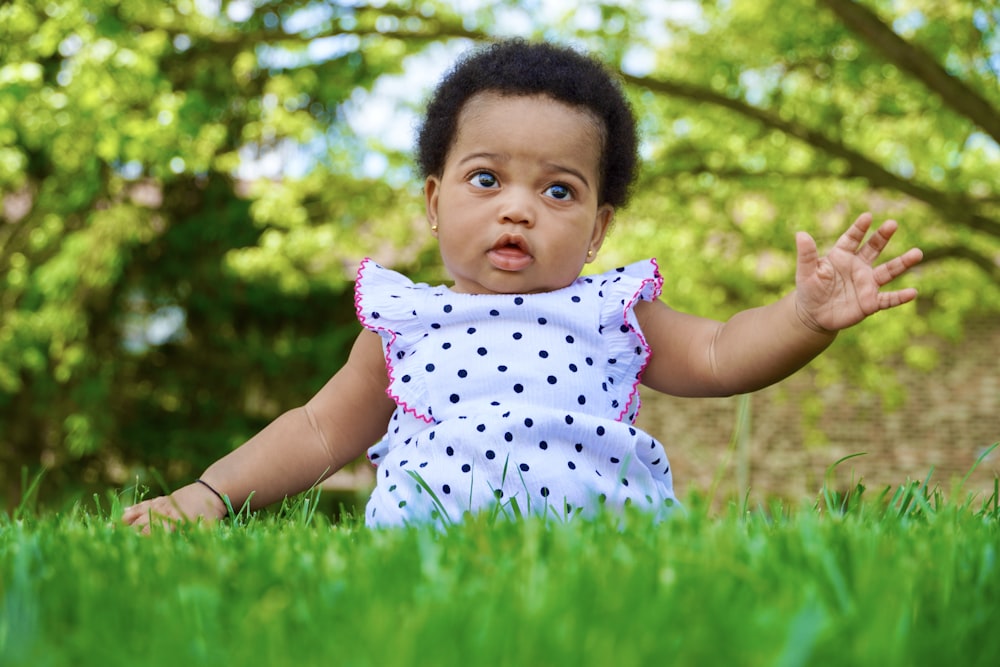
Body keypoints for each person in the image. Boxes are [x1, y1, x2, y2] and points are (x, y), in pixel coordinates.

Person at [122, 39, 923, 531]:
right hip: (423, 550)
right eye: (485, 178)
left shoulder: (613, 309)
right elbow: (320, 432)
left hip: (612, 547)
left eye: (558, 190)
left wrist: (804, 315)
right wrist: (207, 494)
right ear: (434, 202)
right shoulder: (405, 320)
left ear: (599, 228)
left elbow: (719, 354)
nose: (518, 209)